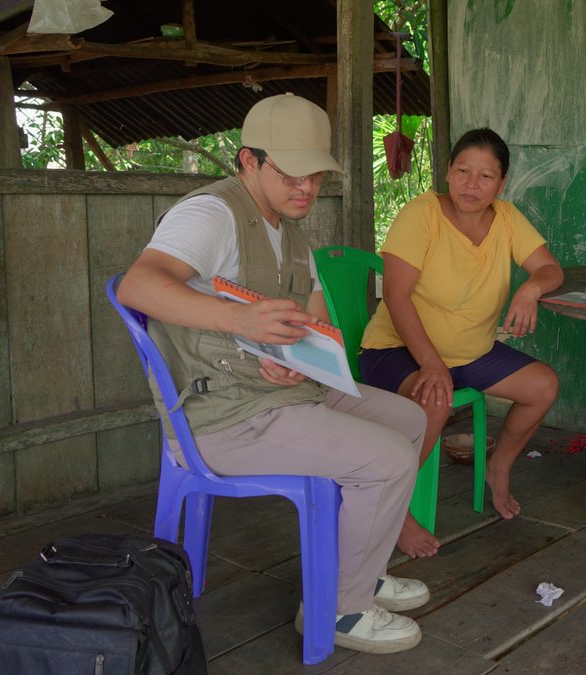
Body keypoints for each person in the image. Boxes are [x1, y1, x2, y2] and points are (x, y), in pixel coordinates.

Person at [117, 94, 431, 655]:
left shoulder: (291, 229)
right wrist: (241, 318)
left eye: (314, 174)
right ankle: (339, 609)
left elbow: (312, 319)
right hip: (226, 418)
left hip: (282, 394)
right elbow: (137, 287)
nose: (305, 187)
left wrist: (295, 358)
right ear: (248, 161)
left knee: (407, 419)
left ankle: (361, 572)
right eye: (289, 172)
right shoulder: (210, 214)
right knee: (387, 460)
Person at [358, 127, 564, 555]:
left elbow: (550, 269)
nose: (472, 184)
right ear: (448, 174)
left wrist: (531, 288)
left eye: (485, 176)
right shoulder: (422, 214)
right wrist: (431, 364)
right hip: (394, 350)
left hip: (469, 352)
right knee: (435, 397)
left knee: (543, 386)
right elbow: (395, 297)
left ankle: (498, 469)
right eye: (463, 171)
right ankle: (392, 510)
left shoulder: (507, 218)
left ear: (501, 184)